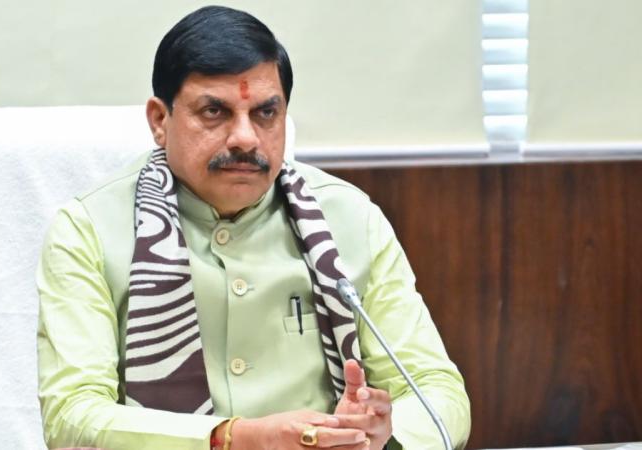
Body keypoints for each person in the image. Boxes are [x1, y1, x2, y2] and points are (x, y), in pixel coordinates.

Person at [36, 5, 470, 450]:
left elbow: (437, 390)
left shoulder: (349, 219)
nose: (245, 138)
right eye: (214, 111)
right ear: (160, 121)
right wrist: (234, 439)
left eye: (265, 113)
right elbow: (72, 415)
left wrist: (382, 437)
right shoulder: (89, 230)